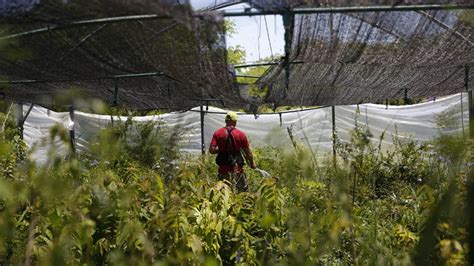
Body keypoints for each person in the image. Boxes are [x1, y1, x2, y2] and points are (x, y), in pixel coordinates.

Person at [209, 111, 256, 192]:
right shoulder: (240, 134)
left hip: (223, 171)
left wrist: (222, 150)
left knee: (223, 194)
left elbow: (212, 150)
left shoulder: (218, 133)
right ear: (235, 121)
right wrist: (252, 164)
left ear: (226, 121)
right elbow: (248, 154)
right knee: (243, 193)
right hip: (237, 170)